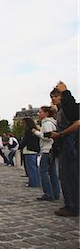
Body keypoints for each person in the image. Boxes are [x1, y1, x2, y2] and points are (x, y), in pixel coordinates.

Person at [49, 87, 79, 217]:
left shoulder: (67, 109)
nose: (53, 99)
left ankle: (72, 206)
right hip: (65, 145)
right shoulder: (62, 110)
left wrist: (60, 134)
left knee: (69, 176)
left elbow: (77, 124)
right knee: (67, 176)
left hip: (69, 146)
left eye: (55, 96)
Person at [32, 106, 60, 201]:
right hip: (51, 150)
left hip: (47, 150)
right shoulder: (52, 122)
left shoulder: (47, 123)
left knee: (43, 172)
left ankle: (48, 193)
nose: (38, 114)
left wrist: (36, 132)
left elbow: (47, 136)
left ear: (46, 113)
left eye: (40, 112)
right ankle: (55, 193)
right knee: (52, 173)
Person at [19, 118, 40, 187]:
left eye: (23, 123)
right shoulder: (35, 130)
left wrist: (20, 147)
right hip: (34, 150)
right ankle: (35, 181)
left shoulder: (28, 131)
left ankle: (33, 182)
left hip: (29, 150)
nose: (22, 125)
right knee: (34, 167)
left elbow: (25, 141)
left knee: (31, 168)